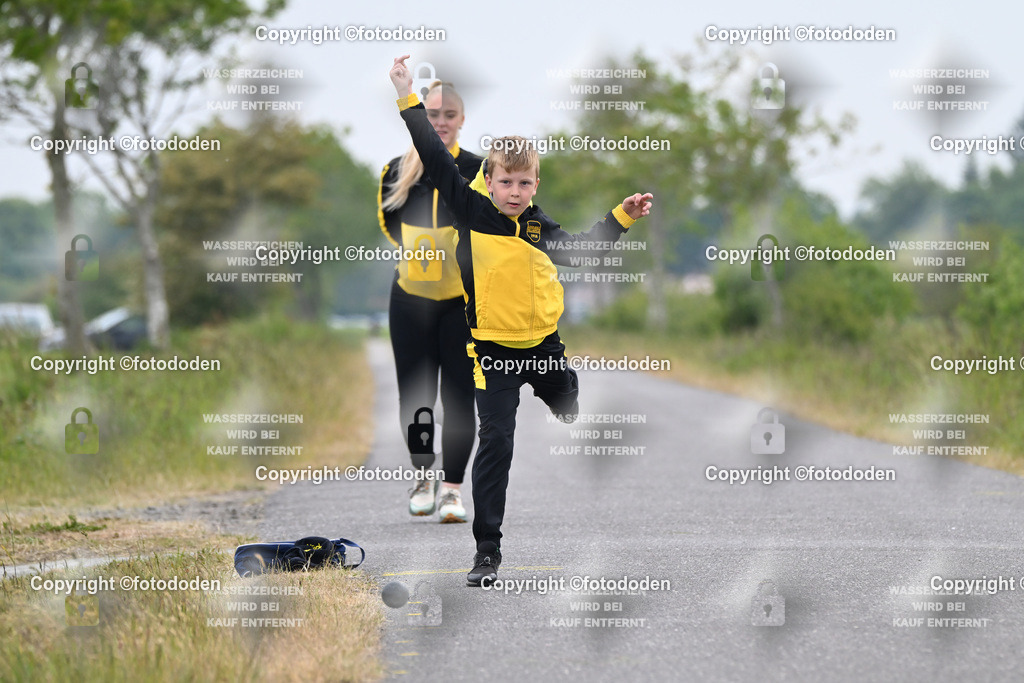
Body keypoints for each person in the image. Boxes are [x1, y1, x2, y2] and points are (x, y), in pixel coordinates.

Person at [388, 55, 653, 586]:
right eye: (506, 182)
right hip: (492, 353)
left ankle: (564, 399)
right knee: (497, 443)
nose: (515, 192)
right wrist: (406, 96)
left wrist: (622, 216)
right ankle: (487, 549)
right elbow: (433, 155)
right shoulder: (470, 210)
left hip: (545, 347)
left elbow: (582, 252)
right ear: (488, 180)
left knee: (565, 397)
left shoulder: (537, 226)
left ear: (536, 184)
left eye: (525, 183)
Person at [378, 79, 483, 523]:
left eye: (449, 115)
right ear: (420, 118)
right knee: (416, 397)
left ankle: (453, 492)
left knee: (459, 398)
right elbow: (390, 227)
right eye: (432, 114)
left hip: (462, 302)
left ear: (462, 119)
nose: (440, 122)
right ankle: (424, 479)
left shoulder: (478, 169)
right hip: (411, 300)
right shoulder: (395, 170)